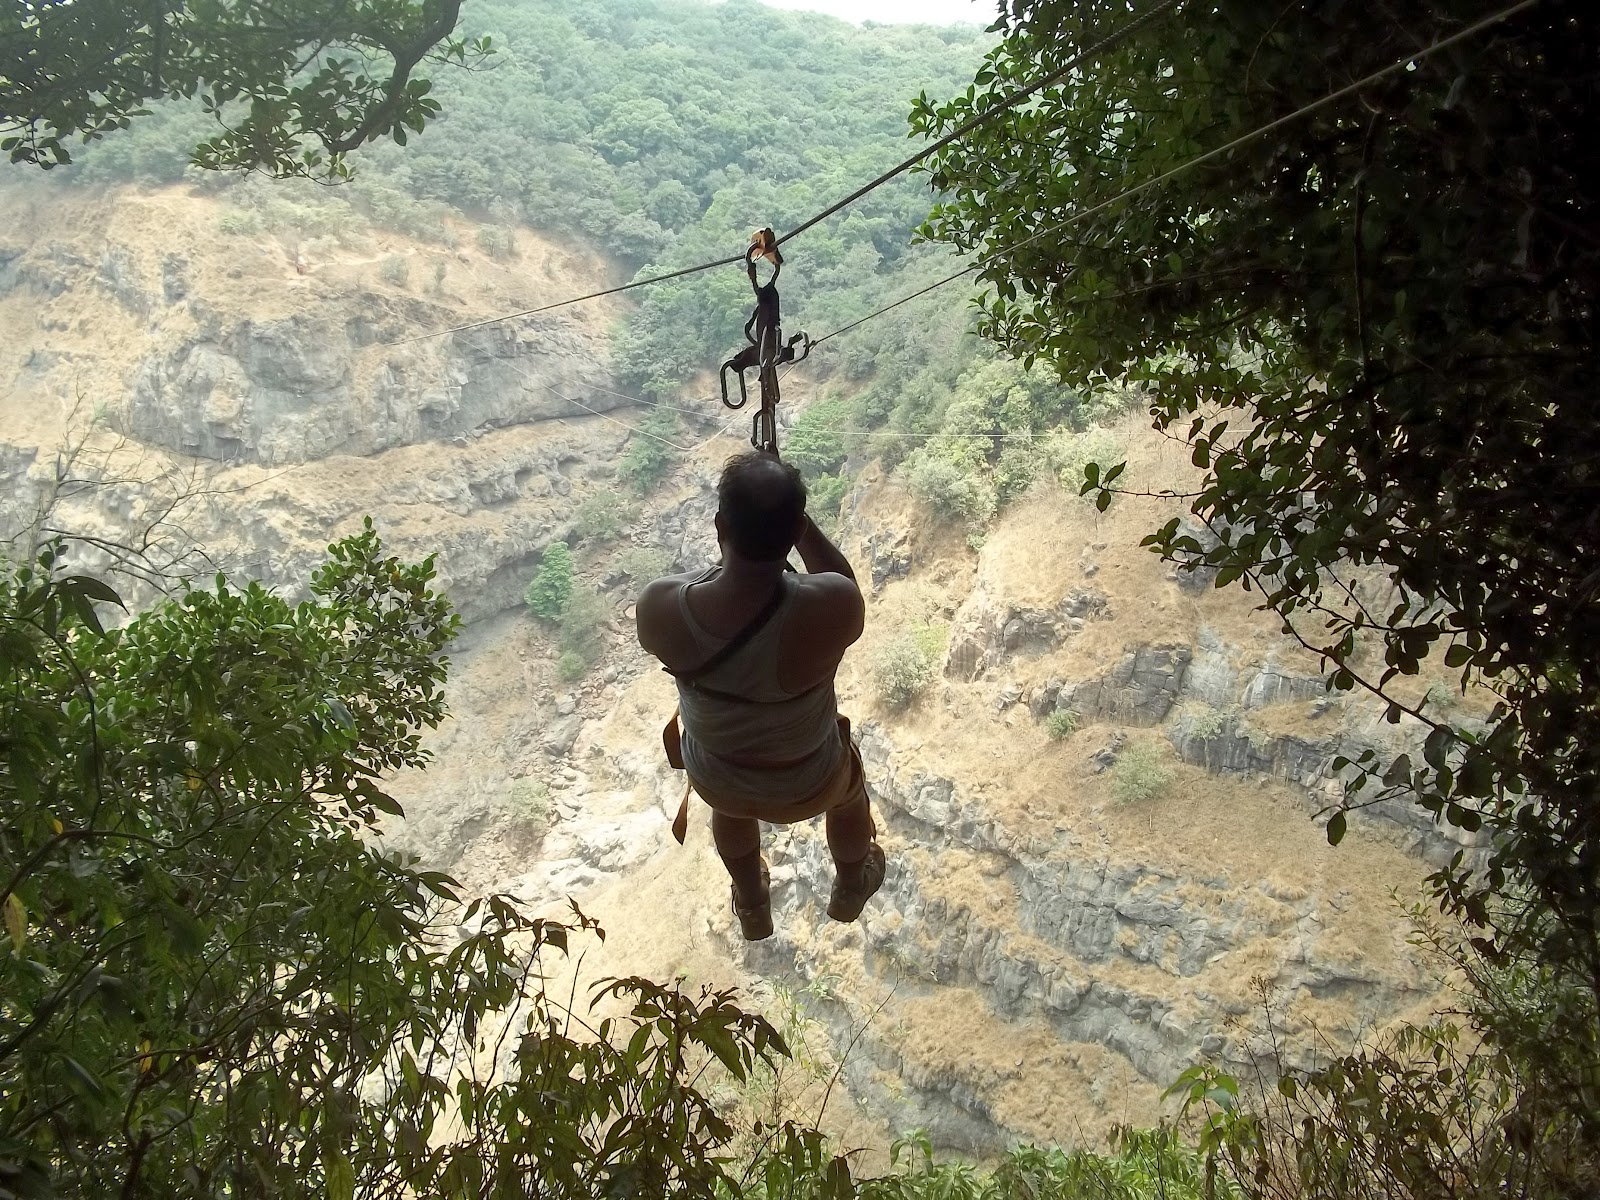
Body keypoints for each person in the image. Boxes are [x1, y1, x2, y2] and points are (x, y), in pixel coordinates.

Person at [635, 451, 885, 940]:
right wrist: (800, 528)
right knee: (849, 792)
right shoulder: (829, 608)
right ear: (793, 532)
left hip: (719, 775)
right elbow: (843, 583)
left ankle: (751, 900)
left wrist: (739, 549)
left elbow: (703, 582)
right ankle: (853, 881)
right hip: (809, 778)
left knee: (730, 804)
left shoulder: (661, 609)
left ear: (719, 526)